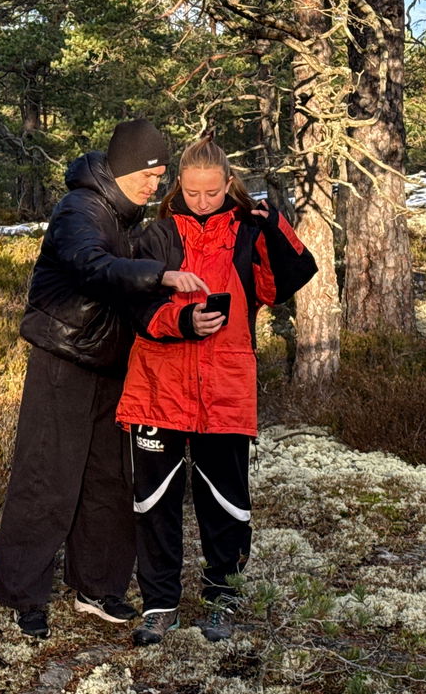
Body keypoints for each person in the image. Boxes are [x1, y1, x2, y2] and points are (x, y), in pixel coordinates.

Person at [0, 119, 208, 639]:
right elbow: (93, 265)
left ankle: (97, 587)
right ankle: (25, 596)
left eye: (161, 174)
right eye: (150, 173)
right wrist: (158, 275)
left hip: (113, 363)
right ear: (124, 166)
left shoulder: (130, 216)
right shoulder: (80, 210)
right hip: (64, 358)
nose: (156, 183)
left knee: (111, 479)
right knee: (48, 475)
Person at [115, 133, 317, 646]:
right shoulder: (155, 234)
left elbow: (293, 276)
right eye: (192, 192)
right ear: (177, 184)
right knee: (153, 503)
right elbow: (128, 304)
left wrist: (272, 222)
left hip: (226, 388)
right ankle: (159, 606)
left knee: (226, 502)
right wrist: (180, 321)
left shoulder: (249, 234)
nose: (202, 201)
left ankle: (221, 600)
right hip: (158, 386)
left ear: (228, 183)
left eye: (212, 192)